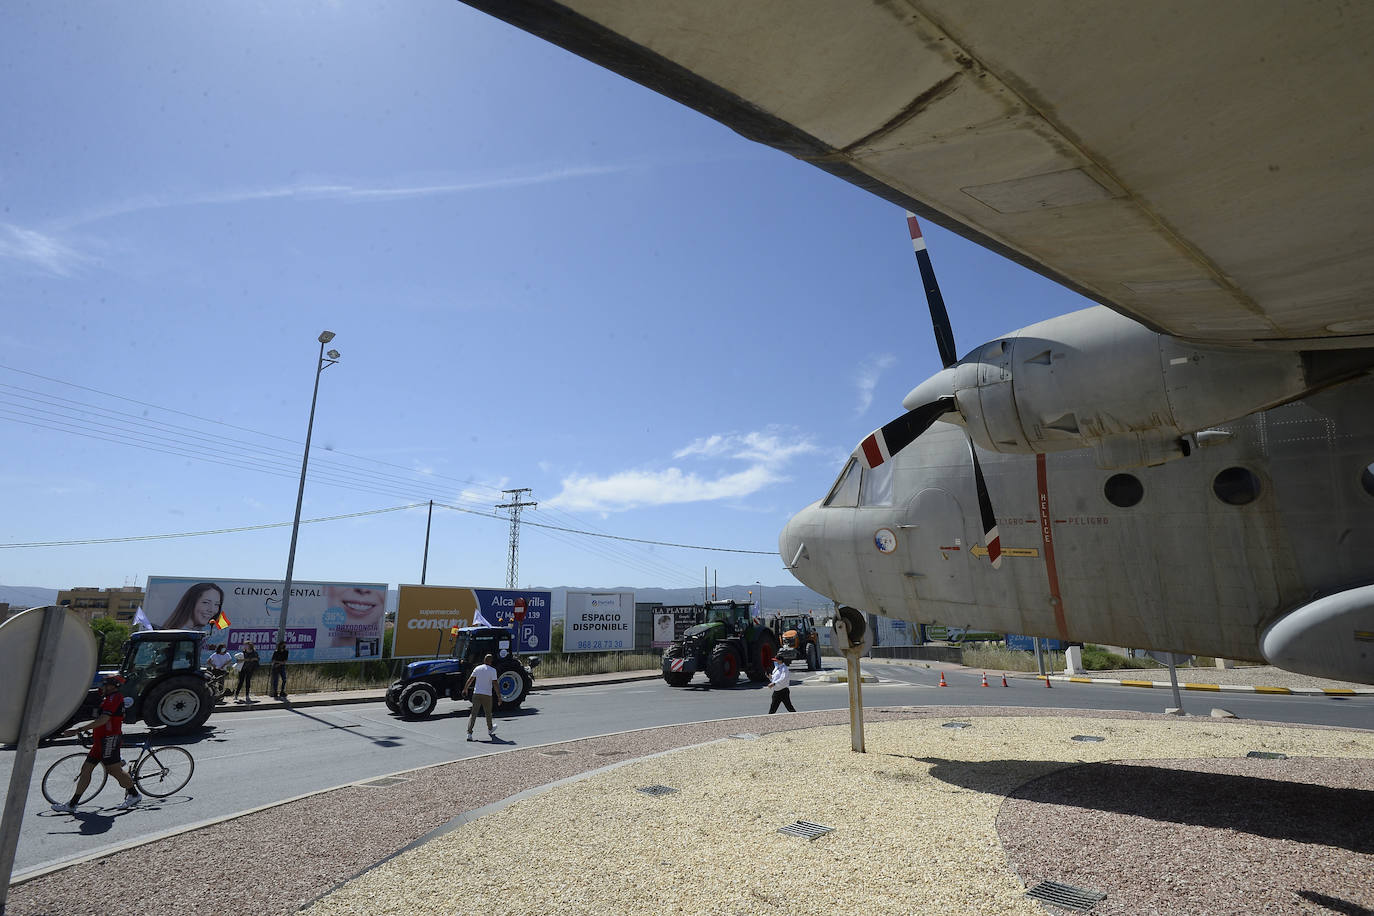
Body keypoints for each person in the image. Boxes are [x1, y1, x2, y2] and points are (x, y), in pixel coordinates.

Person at [50, 675, 141, 812]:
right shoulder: (107, 698)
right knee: (86, 770)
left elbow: (104, 719)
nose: (101, 687)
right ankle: (72, 804)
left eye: (104, 684)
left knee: (114, 771)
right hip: (100, 740)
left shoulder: (114, 698)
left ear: (112, 686)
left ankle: (134, 794)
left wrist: (78, 730)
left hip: (109, 739)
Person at [463, 654, 500, 741]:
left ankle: (469, 733)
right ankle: (490, 729)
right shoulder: (493, 670)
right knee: (488, 713)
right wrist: (499, 696)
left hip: (476, 693)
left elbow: (470, 680)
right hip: (487, 694)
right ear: (491, 661)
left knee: (473, 714)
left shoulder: (477, 668)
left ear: (484, 660)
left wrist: (465, 689)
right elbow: (495, 684)